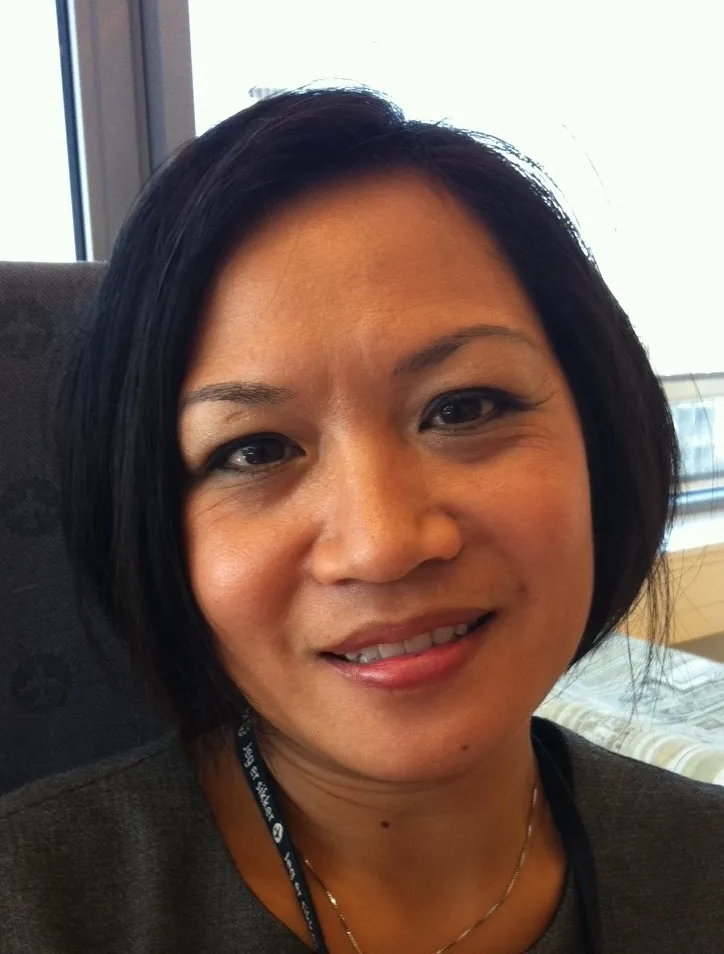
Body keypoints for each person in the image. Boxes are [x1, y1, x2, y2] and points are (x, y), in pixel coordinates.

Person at [1, 87, 722, 954]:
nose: (383, 545)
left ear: (601, 433)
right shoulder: (34, 905)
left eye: (462, 408)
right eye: (256, 450)